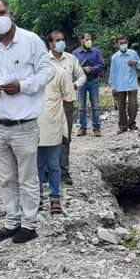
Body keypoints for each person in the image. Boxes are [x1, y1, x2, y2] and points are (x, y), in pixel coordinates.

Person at [0, 0, 54, 244]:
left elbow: (47, 72)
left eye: (1, 12)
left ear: (11, 13)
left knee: (27, 177)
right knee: (6, 177)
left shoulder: (31, 41)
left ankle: (29, 223)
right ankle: (12, 221)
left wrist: (22, 86)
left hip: (24, 124)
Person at [47, 30, 86, 184]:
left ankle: (64, 171)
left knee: (65, 137)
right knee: (47, 137)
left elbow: (82, 75)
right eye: (57, 40)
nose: (60, 42)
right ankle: (47, 172)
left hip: (67, 103)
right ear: (50, 43)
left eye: (62, 39)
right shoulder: (44, 60)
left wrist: (74, 85)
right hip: (49, 104)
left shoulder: (71, 59)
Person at [37, 63, 71, 216]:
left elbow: (69, 98)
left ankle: (55, 198)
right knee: (35, 166)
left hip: (54, 125)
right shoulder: (27, 73)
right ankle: (36, 198)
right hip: (33, 127)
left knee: (53, 165)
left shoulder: (59, 72)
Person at [73, 32, 105, 138]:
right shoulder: (75, 53)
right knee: (81, 106)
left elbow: (101, 65)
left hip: (93, 80)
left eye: (90, 39)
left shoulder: (96, 52)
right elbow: (72, 67)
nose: (89, 41)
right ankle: (82, 127)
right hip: (81, 82)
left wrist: (92, 68)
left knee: (95, 105)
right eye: (86, 39)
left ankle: (97, 128)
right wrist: (82, 69)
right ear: (81, 40)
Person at [110, 35, 140, 133]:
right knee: (121, 106)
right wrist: (113, 87)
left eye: (124, 42)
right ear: (117, 45)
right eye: (121, 43)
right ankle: (122, 126)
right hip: (120, 85)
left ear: (127, 43)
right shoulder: (115, 57)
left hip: (132, 83)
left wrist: (136, 62)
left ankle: (132, 123)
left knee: (133, 105)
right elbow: (113, 73)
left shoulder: (133, 53)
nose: (123, 45)